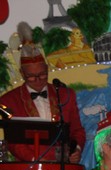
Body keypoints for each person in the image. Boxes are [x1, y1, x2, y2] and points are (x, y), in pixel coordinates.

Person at [0, 21, 86, 162]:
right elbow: (13, 142)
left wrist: (76, 149)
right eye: (31, 76)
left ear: (47, 69)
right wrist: (36, 160)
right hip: (29, 168)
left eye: (42, 74)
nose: (38, 80)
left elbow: (77, 130)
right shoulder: (8, 100)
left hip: (64, 165)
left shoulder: (65, 95)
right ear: (22, 73)